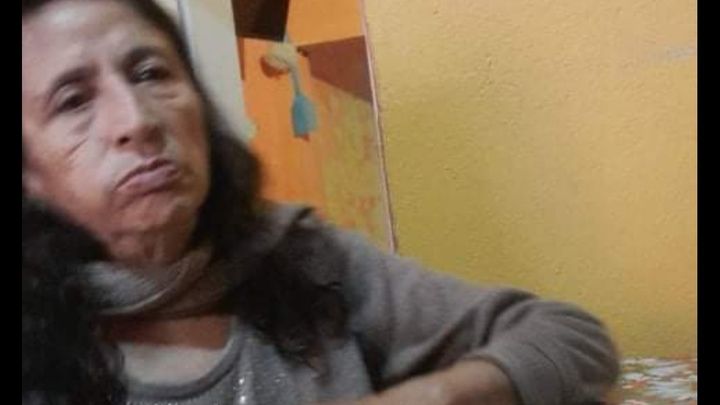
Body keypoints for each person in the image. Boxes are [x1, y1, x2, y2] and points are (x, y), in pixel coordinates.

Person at [21, 0, 620, 404]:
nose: (136, 120)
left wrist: (432, 395)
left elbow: (570, 338)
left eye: (151, 72)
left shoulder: (303, 259)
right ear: (31, 175)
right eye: (73, 101)